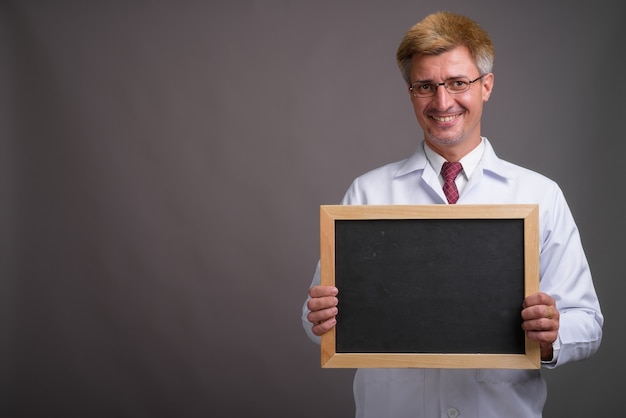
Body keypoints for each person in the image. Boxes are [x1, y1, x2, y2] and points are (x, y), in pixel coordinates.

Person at [301, 11, 603, 418]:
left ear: (487, 86)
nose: (442, 102)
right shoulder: (367, 193)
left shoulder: (540, 195)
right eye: (426, 86)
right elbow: (316, 318)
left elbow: (587, 323)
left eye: (458, 83)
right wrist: (315, 316)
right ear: (411, 93)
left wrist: (551, 335)